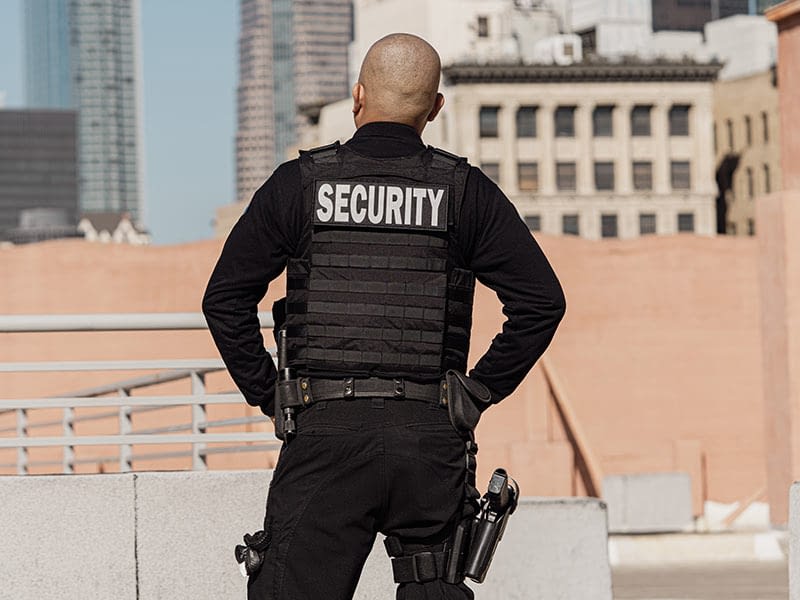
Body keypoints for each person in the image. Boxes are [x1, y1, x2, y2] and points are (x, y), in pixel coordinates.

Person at [202, 33, 565, 600]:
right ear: (435, 108)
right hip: (429, 436)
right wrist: (476, 392)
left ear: (357, 96)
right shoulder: (465, 192)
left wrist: (267, 391)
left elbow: (224, 297)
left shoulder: (299, 185)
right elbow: (542, 302)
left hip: (326, 435)